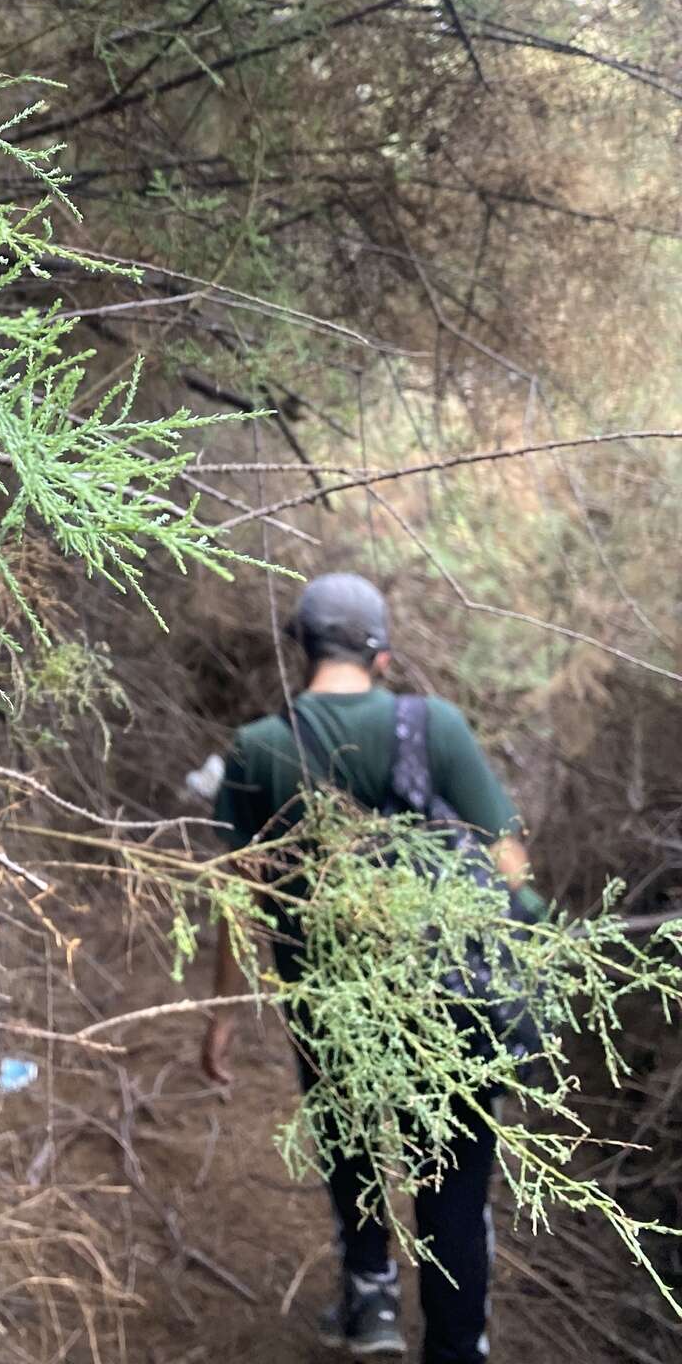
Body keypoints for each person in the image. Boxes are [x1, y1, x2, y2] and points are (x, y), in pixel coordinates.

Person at [198, 572, 545, 1363]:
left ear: (300, 649)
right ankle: (456, 1349)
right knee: (454, 1186)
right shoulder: (439, 729)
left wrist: (220, 1014)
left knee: (348, 1138)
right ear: (382, 657)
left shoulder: (258, 751)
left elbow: (236, 897)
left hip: (328, 998)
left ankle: (372, 1300)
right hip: (450, 1004)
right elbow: (510, 862)